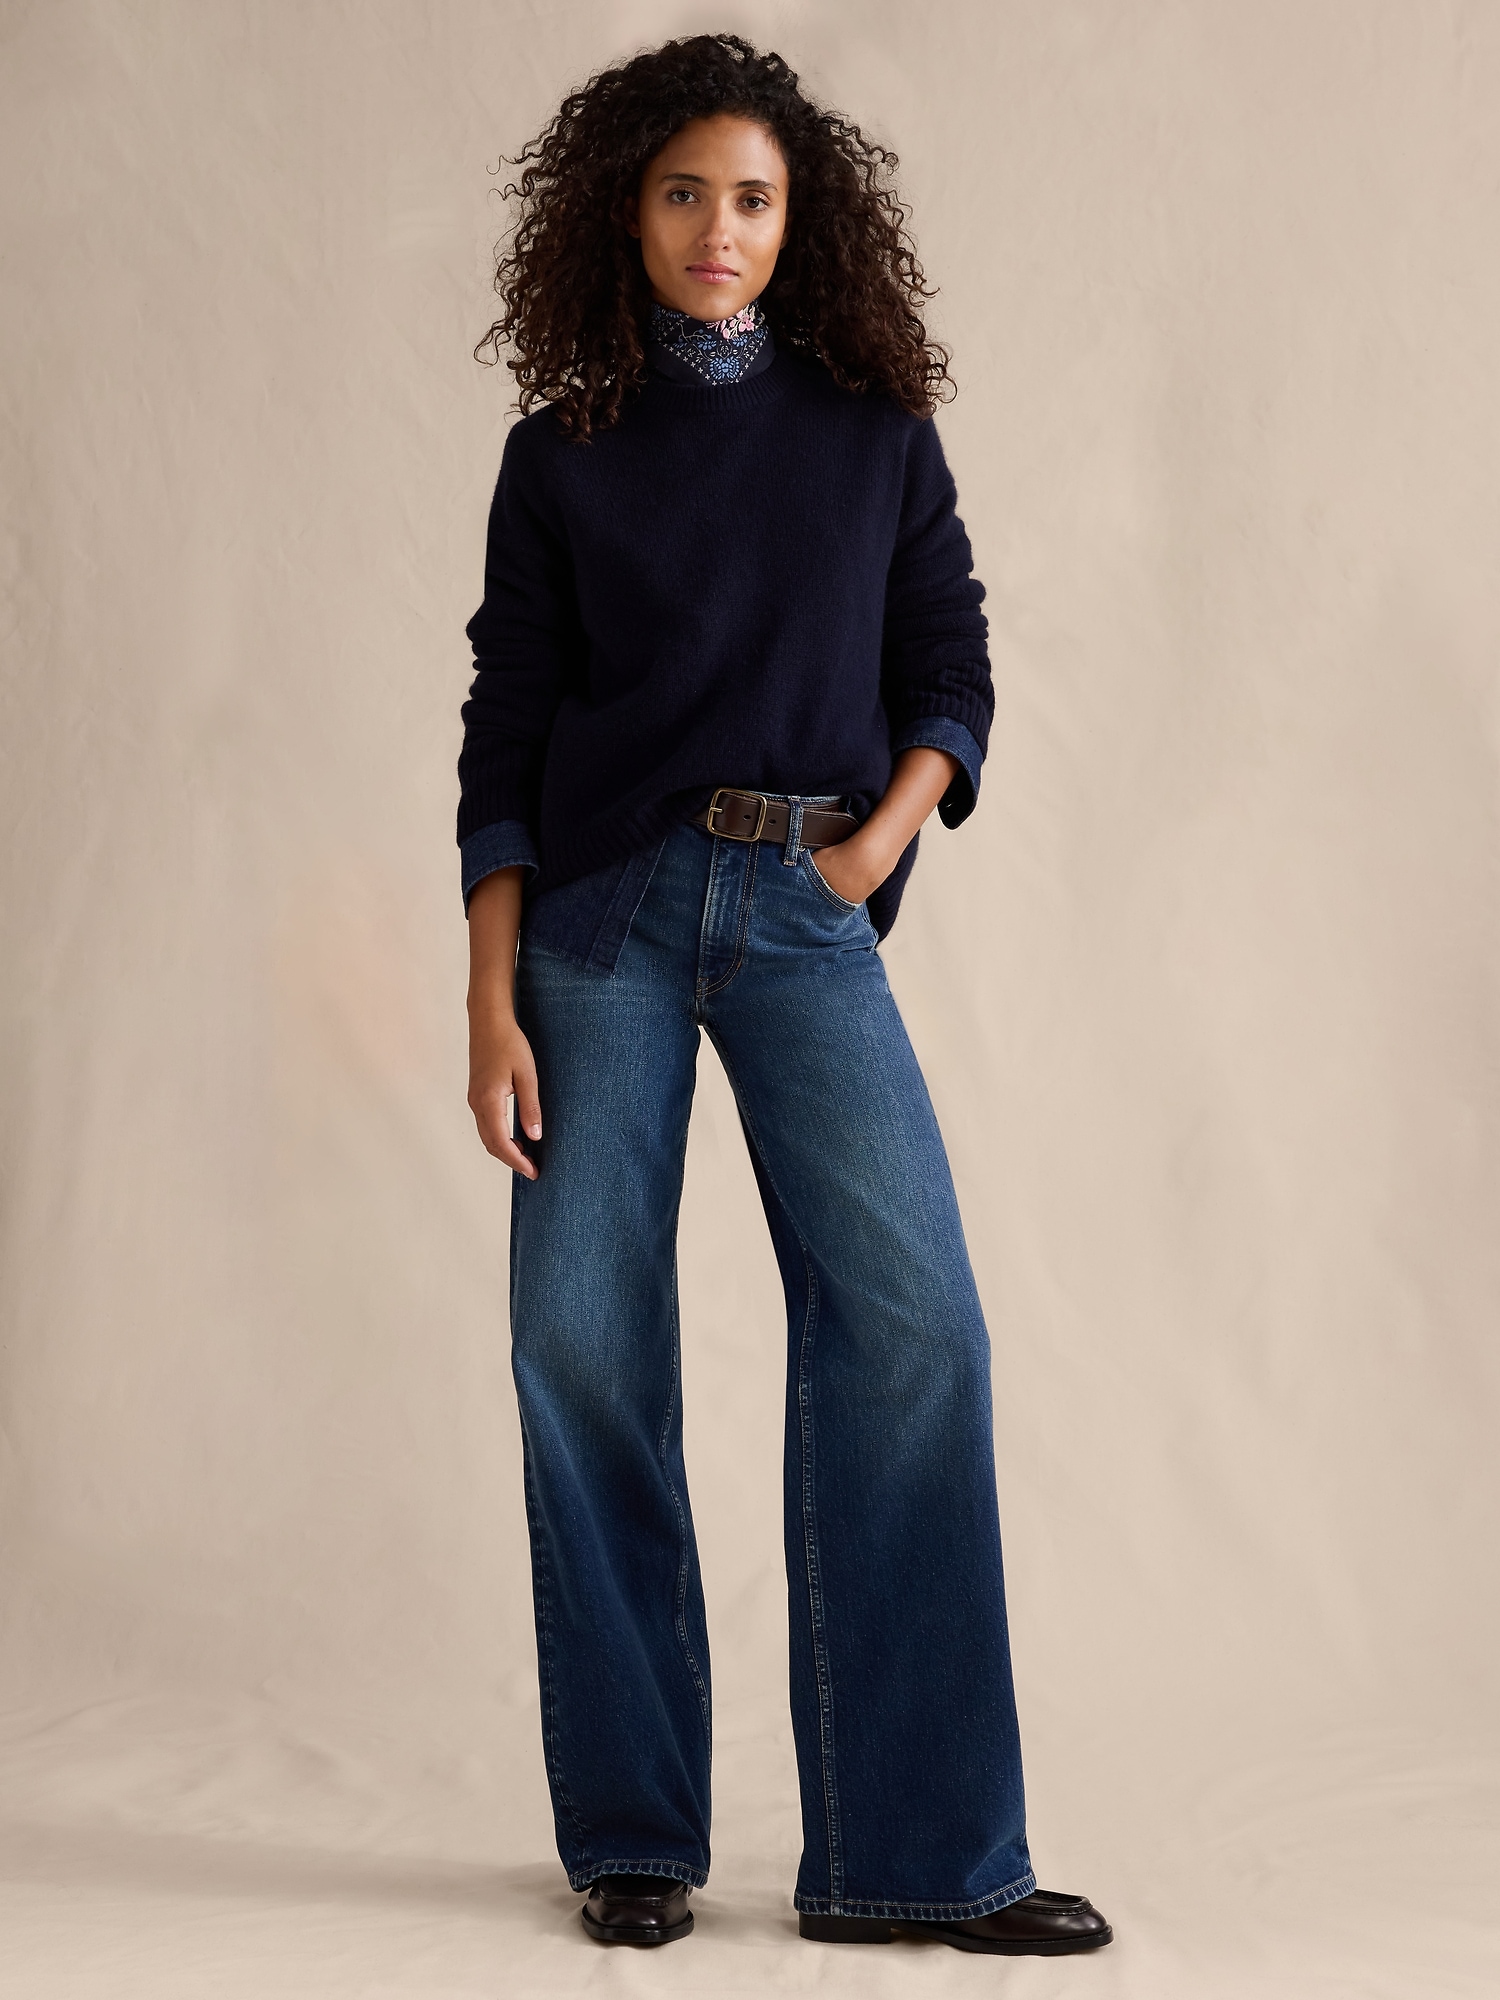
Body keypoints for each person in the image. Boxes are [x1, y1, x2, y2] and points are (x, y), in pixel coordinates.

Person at [458, 32, 1111, 1959]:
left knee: (915, 1325)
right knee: (582, 1345)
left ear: (798, 218)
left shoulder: (875, 432)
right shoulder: (561, 454)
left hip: (804, 901)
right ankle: (635, 1836)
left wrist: (872, 846)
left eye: (751, 197)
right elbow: (506, 726)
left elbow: (950, 663)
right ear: (625, 213)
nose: (717, 229)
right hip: (597, 922)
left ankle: (919, 1856)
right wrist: (487, 993)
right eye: (682, 194)